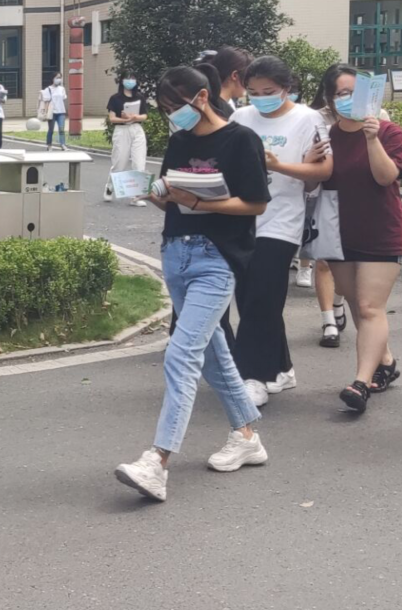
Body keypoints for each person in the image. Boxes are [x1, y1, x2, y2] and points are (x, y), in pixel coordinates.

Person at [114, 65, 270, 503]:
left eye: (175, 106)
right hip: (176, 253)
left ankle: (157, 461)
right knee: (212, 353)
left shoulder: (241, 140)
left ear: (202, 97)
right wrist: (156, 194)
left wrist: (200, 202)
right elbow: (171, 197)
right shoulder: (180, 141)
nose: (171, 115)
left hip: (217, 259)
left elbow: (256, 203)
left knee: (182, 354)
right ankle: (247, 436)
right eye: (165, 108)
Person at [230, 56, 332, 406]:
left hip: (282, 219)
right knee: (250, 297)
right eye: (253, 92)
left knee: (261, 296)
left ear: (287, 88)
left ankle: (252, 376)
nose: (260, 98)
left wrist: (278, 165)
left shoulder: (308, 119)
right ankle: (282, 368)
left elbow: (322, 171)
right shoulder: (240, 117)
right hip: (241, 218)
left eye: (268, 91)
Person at [319, 64, 402, 414]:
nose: (347, 99)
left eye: (353, 92)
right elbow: (314, 181)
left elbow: (386, 177)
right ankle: (385, 361)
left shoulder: (388, 132)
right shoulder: (326, 136)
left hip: (380, 232)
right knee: (356, 302)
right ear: (330, 99)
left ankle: (360, 382)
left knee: (370, 307)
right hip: (338, 233)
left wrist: (371, 139)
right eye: (340, 93)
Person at [104, 72, 150, 206]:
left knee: (139, 163)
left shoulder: (140, 97)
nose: (130, 81)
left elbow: (144, 116)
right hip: (122, 130)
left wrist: (134, 117)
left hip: (137, 129)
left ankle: (136, 197)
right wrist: (124, 119)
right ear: (122, 81)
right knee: (119, 163)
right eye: (127, 79)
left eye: (133, 79)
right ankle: (110, 186)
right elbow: (112, 118)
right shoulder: (115, 98)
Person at [198, 47, 251, 114]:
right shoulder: (220, 112)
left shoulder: (200, 101)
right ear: (235, 75)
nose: (249, 83)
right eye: (248, 77)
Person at [42, 73, 69, 151]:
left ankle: (63, 144)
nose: (59, 79)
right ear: (53, 78)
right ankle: (49, 145)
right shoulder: (48, 89)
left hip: (61, 112)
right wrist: (45, 112)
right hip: (52, 112)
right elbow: (46, 102)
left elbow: (63, 98)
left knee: (61, 129)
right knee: (51, 129)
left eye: (60, 77)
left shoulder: (62, 89)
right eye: (57, 77)